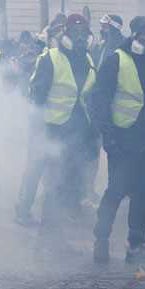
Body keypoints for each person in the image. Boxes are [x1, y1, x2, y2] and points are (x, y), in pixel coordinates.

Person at [91, 16, 145, 265]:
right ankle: (101, 240)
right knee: (115, 191)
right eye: (144, 35)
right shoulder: (116, 60)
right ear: (133, 35)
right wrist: (107, 135)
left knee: (143, 194)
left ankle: (136, 245)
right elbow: (99, 100)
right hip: (122, 138)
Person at [27, 14, 96, 250]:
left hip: (79, 131)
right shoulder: (50, 58)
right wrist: (38, 131)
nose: (79, 37)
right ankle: (48, 235)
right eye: (74, 33)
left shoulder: (87, 59)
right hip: (54, 130)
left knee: (71, 183)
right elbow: (37, 95)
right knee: (55, 182)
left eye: (82, 33)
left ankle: (59, 232)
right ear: (65, 35)